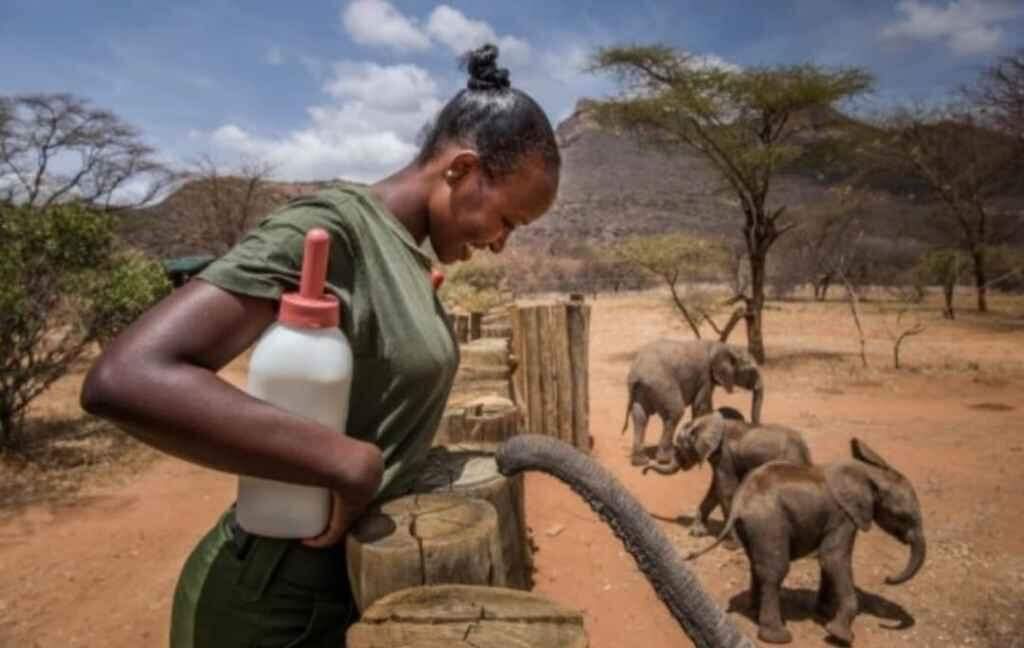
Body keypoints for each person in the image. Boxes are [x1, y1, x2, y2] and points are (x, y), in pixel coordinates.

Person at [80, 43, 560, 647]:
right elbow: (126, 377)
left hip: (342, 590)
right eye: (508, 221)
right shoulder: (333, 228)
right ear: (461, 170)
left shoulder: (403, 254)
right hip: (270, 606)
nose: (500, 244)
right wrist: (344, 461)